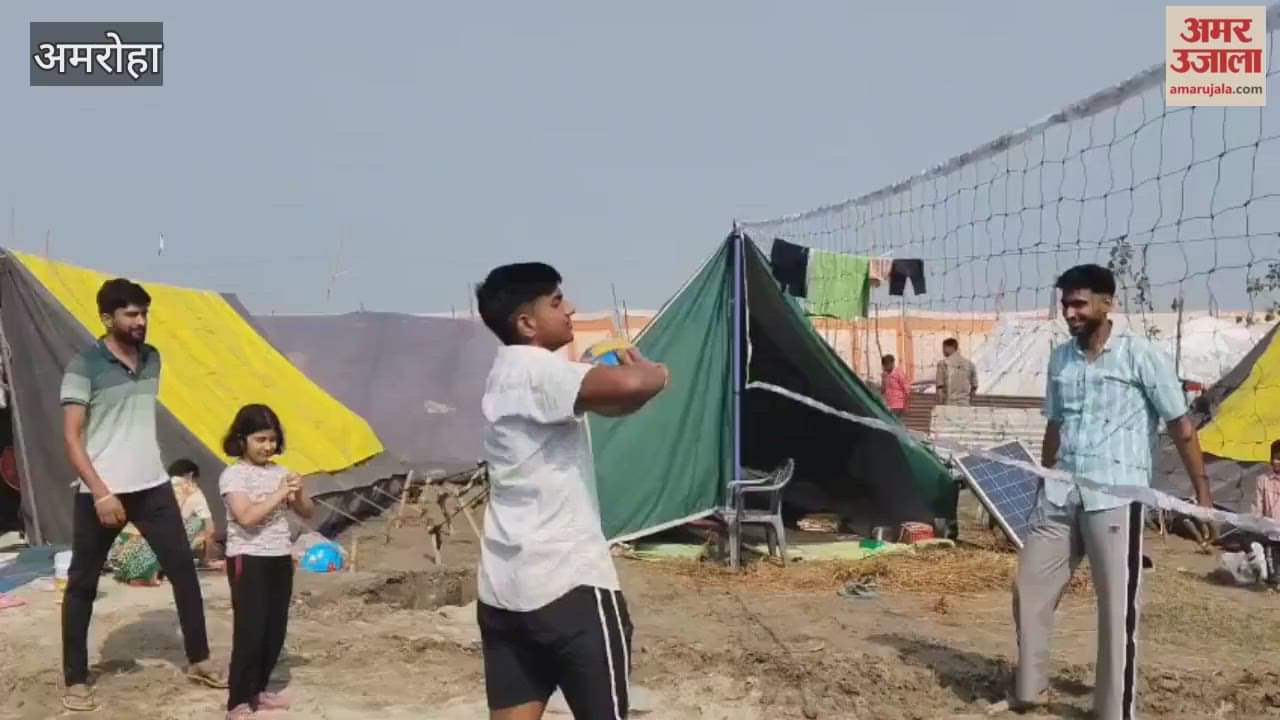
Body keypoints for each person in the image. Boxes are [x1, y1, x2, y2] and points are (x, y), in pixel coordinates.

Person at [1006, 264, 1212, 720]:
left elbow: (1180, 425)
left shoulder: (1140, 356)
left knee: (1116, 608)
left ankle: (1113, 710)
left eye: (1079, 303)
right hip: (1061, 493)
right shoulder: (1061, 359)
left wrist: (1202, 495)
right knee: (1029, 587)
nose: (1070, 313)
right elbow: (1055, 424)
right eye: (1065, 304)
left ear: (1107, 303)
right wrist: (1044, 476)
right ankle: (1030, 692)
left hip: (1116, 497)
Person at [474, 263, 670, 720]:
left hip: (505, 591)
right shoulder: (540, 369)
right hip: (569, 585)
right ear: (527, 323)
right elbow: (629, 383)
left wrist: (633, 390)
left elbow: (613, 403)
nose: (572, 309)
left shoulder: (505, 374)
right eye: (557, 302)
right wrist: (658, 373)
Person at [59, 279, 226, 712]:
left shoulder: (153, 359)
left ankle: (199, 660)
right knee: (82, 584)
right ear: (106, 318)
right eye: (131, 314)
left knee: (184, 572)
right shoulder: (83, 366)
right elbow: (72, 439)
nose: (140, 321)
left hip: (152, 485)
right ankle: (75, 679)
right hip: (102, 492)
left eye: (144, 313)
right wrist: (101, 493)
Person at [219, 403, 313, 719]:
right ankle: (238, 701)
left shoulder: (279, 472)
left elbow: (307, 512)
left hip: (278, 555)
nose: (267, 446)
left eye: (272, 439)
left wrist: (297, 493)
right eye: (260, 439)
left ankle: (258, 691)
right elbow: (246, 517)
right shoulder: (233, 475)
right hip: (249, 557)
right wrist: (279, 493)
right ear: (242, 439)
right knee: (251, 630)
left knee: (274, 628)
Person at [107, 459, 218, 586]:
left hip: (118, 555)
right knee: (197, 522)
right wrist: (207, 559)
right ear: (190, 475)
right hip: (146, 555)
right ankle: (151, 571)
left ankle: (137, 570)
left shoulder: (155, 488)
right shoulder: (192, 489)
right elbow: (209, 528)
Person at [1252, 439, 1280, 586]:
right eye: (1276, 458)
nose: (1278, 462)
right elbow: (1258, 504)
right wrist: (1258, 521)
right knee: (1271, 558)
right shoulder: (1262, 480)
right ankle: (1272, 578)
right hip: (1269, 530)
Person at [935, 338, 977, 405]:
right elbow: (974, 387)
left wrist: (940, 406)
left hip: (949, 404)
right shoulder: (970, 364)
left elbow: (940, 388)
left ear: (949, 347)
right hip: (965, 404)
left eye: (943, 348)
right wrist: (967, 400)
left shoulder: (943, 364)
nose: (943, 351)